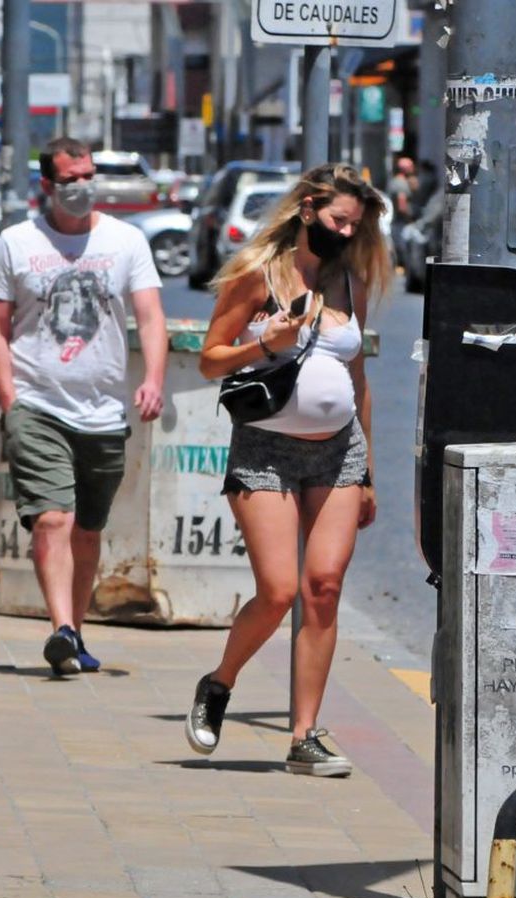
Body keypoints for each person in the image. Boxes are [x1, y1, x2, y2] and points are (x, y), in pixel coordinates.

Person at [184, 163, 388, 778]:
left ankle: (304, 735)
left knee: (323, 587)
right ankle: (218, 684)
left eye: (354, 225)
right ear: (306, 212)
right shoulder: (257, 277)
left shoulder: (350, 283)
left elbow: (357, 379)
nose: (346, 233)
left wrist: (369, 468)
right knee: (278, 591)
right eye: (337, 221)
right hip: (266, 449)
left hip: (338, 451)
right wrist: (266, 343)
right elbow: (209, 362)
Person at [0, 137, 167, 677]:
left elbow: (151, 317)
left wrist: (152, 378)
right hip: (37, 403)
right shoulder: (14, 243)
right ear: (47, 186)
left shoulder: (126, 240)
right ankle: (60, 628)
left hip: (103, 410)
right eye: (71, 180)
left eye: (88, 176)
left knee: (87, 528)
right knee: (53, 519)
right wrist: (10, 400)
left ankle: (74, 634)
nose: (83, 187)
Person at [388, 155, 415, 225]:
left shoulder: (398, 181)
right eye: (411, 167)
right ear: (405, 169)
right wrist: (410, 221)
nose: (413, 169)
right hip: (401, 224)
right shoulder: (401, 184)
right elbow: (402, 207)